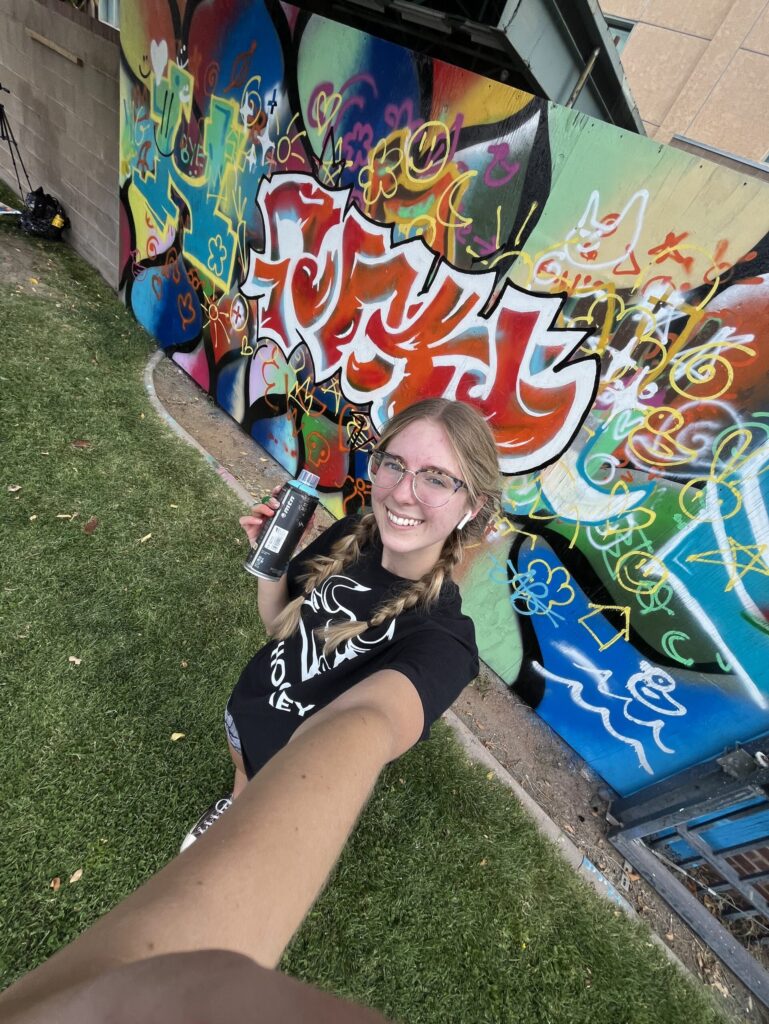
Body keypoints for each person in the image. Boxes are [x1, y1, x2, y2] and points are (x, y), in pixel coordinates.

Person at [181, 397, 501, 846]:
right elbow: (278, 626)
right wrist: (272, 562)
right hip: (251, 704)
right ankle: (235, 802)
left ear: (472, 505)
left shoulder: (446, 642)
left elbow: (378, 723)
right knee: (243, 775)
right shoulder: (350, 535)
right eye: (394, 465)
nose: (402, 493)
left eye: (436, 478)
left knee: (261, 831)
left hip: (297, 776)